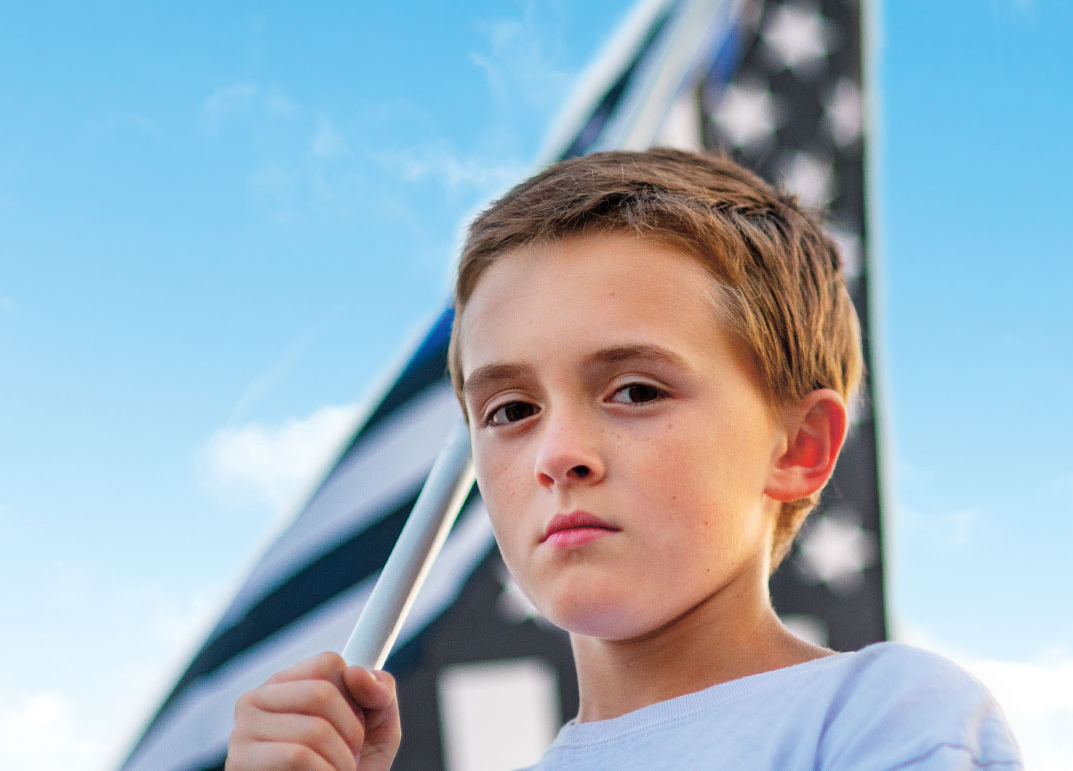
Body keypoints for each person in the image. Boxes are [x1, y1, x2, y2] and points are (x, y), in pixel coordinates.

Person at [226, 148, 1023, 770]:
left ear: (799, 447)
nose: (558, 454)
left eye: (636, 392)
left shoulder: (881, 716)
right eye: (510, 411)